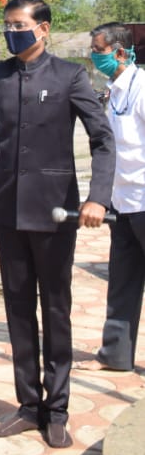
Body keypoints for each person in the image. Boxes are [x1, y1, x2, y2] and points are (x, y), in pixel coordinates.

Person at [0, 0, 115, 448]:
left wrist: (98, 198)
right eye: (6, 24)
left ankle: (57, 409)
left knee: (55, 309)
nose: (10, 31)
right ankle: (28, 405)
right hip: (9, 208)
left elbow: (102, 139)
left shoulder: (70, 75)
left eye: (18, 24)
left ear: (43, 29)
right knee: (18, 308)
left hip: (57, 210)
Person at [81, 22, 145, 371]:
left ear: (120, 53)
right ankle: (116, 355)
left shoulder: (143, 88)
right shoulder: (113, 91)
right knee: (122, 282)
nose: (94, 57)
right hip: (123, 203)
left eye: (99, 51)